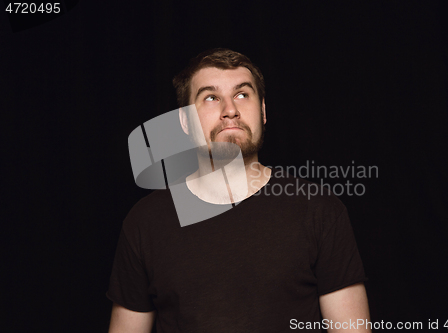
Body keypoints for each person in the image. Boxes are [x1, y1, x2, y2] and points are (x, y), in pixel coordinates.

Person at [106, 48, 371, 332]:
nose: (230, 110)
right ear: (184, 122)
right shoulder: (145, 222)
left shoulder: (318, 210)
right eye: (211, 97)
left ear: (263, 111)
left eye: (242, 94)